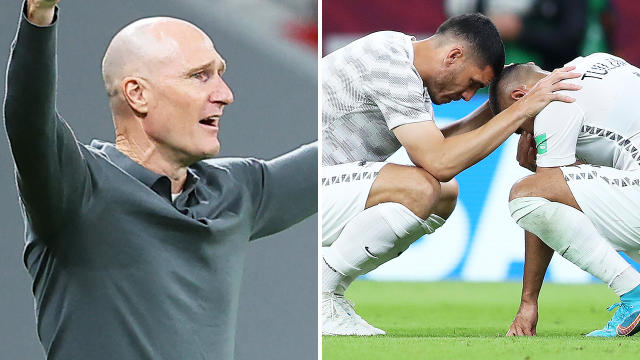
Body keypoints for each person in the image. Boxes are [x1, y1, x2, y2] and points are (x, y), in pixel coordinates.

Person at [4, 1, 316, 359]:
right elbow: (28, 122)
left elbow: (341, 150)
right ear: (138, 94)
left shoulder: (237, 191)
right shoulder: (79, 189)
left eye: (220, 73)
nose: (224, 94)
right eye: (200, 76)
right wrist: (39, 15)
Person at [321, 13, 581, 336]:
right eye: (472, 83)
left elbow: (440, 147)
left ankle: (329, 294)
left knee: (444, 193)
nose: (469, 95)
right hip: (313, 193)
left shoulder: (401, 60)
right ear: (454, 56)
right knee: (422, 188)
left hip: (325, 190)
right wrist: (521, 111)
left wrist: (504, 104)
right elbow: (439, 162)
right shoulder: (390, 66)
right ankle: (322, 293)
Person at [488, 56, 640, 337]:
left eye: (519, 127)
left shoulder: (554, 105)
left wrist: (528, 302)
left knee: (525, 193)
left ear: (521, 96)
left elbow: (545, 196)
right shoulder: (595, 61)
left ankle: (634, 295)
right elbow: (608, 177)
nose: (526, 137)